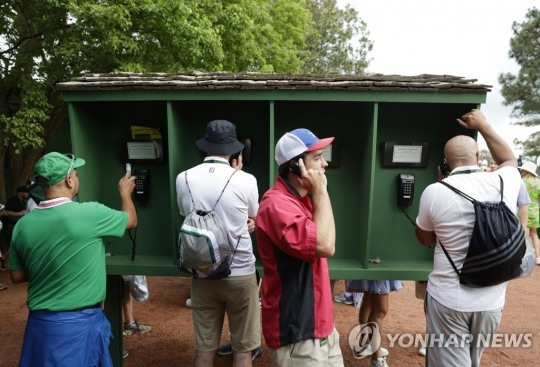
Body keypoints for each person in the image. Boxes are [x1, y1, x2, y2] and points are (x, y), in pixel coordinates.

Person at [8, 152, 137, 367]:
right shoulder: (91, 213)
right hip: (79, 327)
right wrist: (125, 193)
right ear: (69, 180)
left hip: (40, 326)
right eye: (75, 174)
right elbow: (131, 220)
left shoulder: (23, 224)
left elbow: (16, 275)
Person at [415, 109, 522, 367]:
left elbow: (425, 239)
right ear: (478, 156)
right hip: (492, 301)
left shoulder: (434, 191)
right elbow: (509, 159)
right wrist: (484, 125)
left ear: (444, 164)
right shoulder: (504, 181)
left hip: (449, 299)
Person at [256, 128, 344, 366]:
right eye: (317, 158)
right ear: (296, 167)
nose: (324, 165)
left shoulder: (303, 199)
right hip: (298, 330)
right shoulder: (276, 204)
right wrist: (322, 192)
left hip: (321, 325)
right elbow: (325, 245)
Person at [176, 120, 260, 367]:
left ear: (205, 146)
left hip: (202, 271)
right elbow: (252, 214)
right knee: (243, 350)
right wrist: (240, 173)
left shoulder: (184, 178)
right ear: (235, 150)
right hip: (241, 272)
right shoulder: (246, 179)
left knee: (204, 350)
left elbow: (186, 214)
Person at [347, 280, 402, 367]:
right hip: (379, 272)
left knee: (368, 300)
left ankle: (366, 344)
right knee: (380, 311)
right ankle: (377, 359)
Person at [519, 161, 540, 264]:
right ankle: (538, 257)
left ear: (526, 171)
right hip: (535, 210)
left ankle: (520, 256)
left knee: (520, 232)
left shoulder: (521, 181)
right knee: (534, 234)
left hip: (522, 210)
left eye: (522, 169)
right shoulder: (538, 182)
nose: (521, 170)